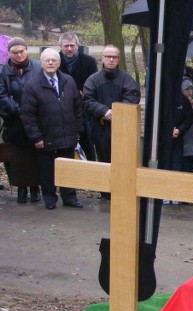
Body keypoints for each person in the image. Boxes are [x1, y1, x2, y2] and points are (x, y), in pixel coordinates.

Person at [20, 48, 83, 210]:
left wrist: (78, 130)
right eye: (47, 60)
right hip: (46, 137)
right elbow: (28, 115)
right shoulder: (32, 86)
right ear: (41, 63)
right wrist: (36, 137)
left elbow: (77, 107)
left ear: (59, 63)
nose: (50, 63)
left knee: (68, 168)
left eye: (53, 60)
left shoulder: (69, 81)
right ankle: (49, 198)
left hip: (67, 135)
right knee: (47, 170)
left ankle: (70, 197)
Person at [83, 45, 141, 199]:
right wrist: (104, 111)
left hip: (122, 130)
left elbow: (133, 96)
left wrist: (118, 112)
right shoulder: (93, 80)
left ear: (118, 59)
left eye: (114, 57)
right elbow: (88, 101)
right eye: (107, 56)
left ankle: (121, 192)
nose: (110, 60)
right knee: (104, 161)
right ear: (102, 58)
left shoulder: (126, 80)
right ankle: (105, 193)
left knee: (122, 162)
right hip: (100, 130)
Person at [0, 37, 41, 203]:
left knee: (34, 155)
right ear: (9, 54)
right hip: (14, 120)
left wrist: (30, 111)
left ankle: (35, 188)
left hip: (35, 120)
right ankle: (21, 189)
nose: (18, 55)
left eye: (21, 51)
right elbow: (2, 95)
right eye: (14, 52)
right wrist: (18, 110)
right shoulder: (3, 71)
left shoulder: (38, 68)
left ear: (27, 51)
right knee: (17, 156)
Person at [57, 32, 98, 161]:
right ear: (60, 46)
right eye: (66, 46)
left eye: (72, 46)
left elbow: (94, 83)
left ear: (77, 46)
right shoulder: (54, 61)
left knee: (87, 142)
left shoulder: (89, 62)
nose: (69, 49)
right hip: (61, 109)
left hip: (84, 108)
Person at [164, 75, 193, 205]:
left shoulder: (183, 100)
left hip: (177, 138)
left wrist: (179, 130)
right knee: (164, 165)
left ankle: (175, 193)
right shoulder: (160, 98)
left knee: (176, 165)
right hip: (163, 140)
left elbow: (188, 118)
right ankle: (164, 193)